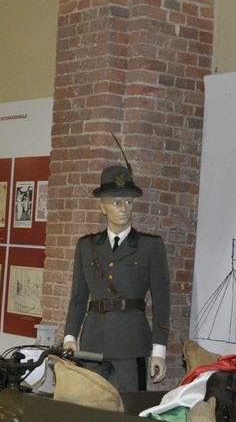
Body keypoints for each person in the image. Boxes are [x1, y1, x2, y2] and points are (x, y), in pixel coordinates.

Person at [64, 163, 170, 391]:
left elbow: (162, 302)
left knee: (126, 414)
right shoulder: (87, 246)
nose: (124, 208)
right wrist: (70, 337)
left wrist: (159, 351)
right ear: (102, 207)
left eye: (129, 202)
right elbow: (79, 297)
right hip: (92, 344)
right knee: (89, 410)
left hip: (131, 345)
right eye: (116, 202)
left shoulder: (150, 246)